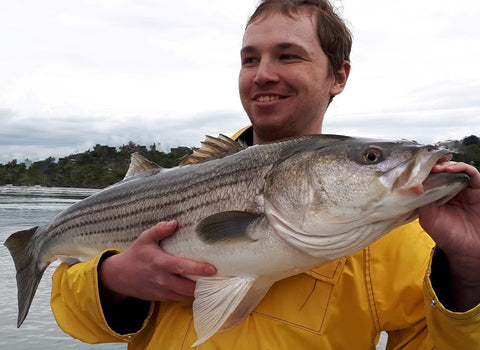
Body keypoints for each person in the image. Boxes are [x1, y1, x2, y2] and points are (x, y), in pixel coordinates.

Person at [51, 0, 480, 348]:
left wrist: (467, 268)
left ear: (339, 75)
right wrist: (112, 281)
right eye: (250, 58)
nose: (263, 74)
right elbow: (77, 322)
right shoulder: (176, 182)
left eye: (288, 56)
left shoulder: (411, 235)